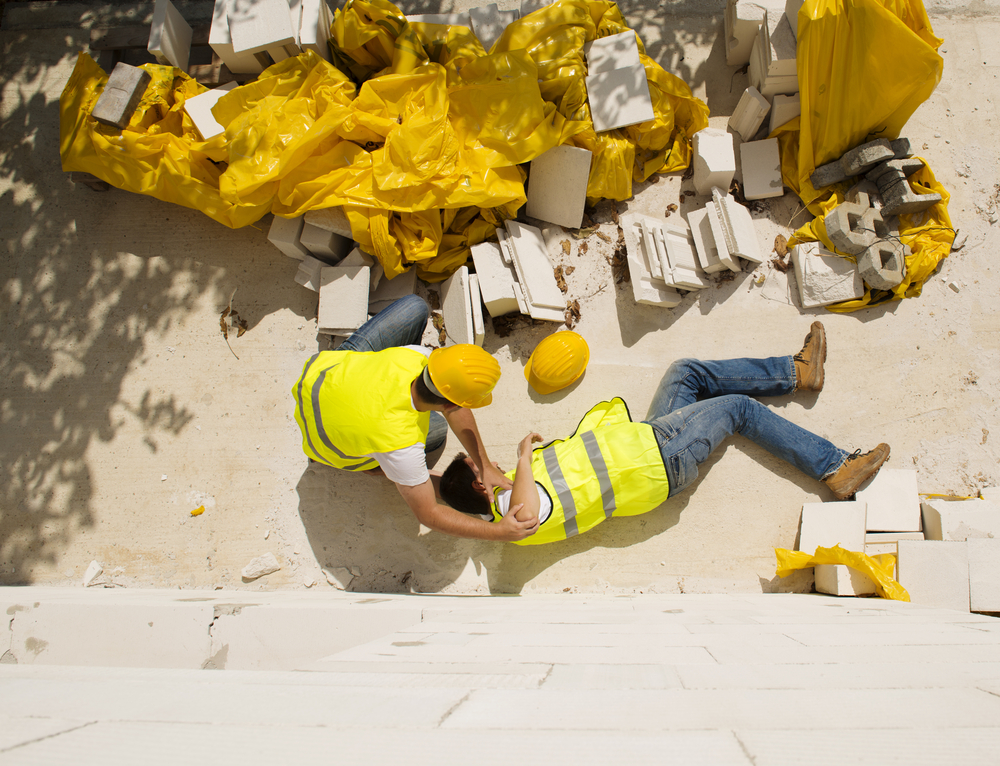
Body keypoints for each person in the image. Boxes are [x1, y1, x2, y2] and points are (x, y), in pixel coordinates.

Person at [439, 322, 891, 544]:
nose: (490, 461)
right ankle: (835, 467)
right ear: (481, 483)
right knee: (737, 409)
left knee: (685, 373)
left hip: (646, 442)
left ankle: (797, 372)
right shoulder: (513, 515)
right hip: (661, 459)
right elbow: (528, 512)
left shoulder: (502, 500)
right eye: (480, 464)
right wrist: (520, 458)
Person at [292, 294, 538, 542]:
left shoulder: (413, 357)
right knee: (438, 430)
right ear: (449, 403)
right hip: (323, 443)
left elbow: (455, 406)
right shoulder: (401, 443)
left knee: (416, 307)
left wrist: (484, 466)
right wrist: (498, 531)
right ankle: (374, 466)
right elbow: (428, 514)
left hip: (322, 376)